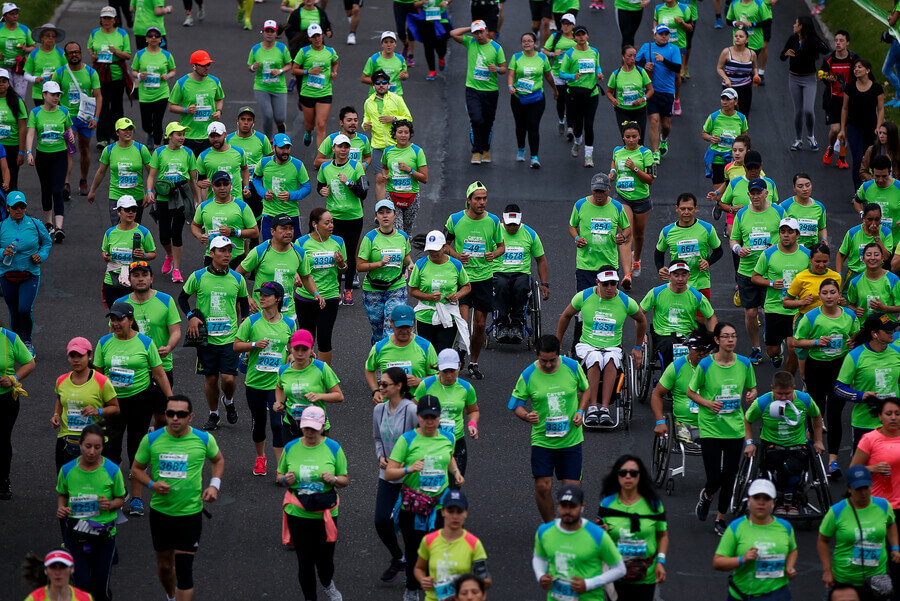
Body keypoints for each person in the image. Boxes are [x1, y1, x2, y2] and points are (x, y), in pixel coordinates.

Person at [130, 395, 224, 601]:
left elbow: (218, 460)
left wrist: (213, 486)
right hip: (161, 513)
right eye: (170, 413)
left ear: (190, 417)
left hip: (190, 514)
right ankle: (171, 596)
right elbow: (136, 469)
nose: (175, 418)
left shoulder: (204, 439)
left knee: (184, 571)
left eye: (181, 414)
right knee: (165, 567)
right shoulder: (152, 439)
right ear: (165, 415)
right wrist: (152, 484)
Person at [95, 301, 172, 516]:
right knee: (110, 450)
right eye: (112, 319)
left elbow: (159, 373)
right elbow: (98, 375)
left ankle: (137, 498)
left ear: (130, 320)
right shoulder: (104, 342)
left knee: (137, 450)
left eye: (120, 319)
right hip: (113, 405)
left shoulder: (146, 343)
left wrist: (171, 399)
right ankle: (116, 491)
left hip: (140, 401)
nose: (115, 323)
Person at [384, 395, 464, 601]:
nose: (430, 422)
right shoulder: (407, 440)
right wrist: (409, 469)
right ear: (418, 417)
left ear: (439, 418)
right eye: (425, 417)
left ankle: (438, 591)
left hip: (440, 506)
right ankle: (411, 590)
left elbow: (450, 457)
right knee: (414, 552)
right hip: (414, 507)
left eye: (434, 417)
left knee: (441, 551)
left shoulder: (448, 438)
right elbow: (389, 473)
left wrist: (455, 472)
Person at [509, 335, 588, 521]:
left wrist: (581, 411)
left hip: (570, 440)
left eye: (552, 360)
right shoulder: (528, 374)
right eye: (543, 360)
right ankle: (551, 526)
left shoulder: (572, 367)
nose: (548, 365)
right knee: (543, 487)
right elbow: (516, 405)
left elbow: (586, 389)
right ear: (537, 355)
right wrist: (526, 415)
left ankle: (569, 525)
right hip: (543, 441)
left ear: (559, 353)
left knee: (572, 491)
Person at [689, 321, 758, 536]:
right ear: (717, 340)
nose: (731, 340)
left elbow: (753, 387)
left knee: (729, 476)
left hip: (734, 428)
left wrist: (752, 394)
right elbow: (691, 392)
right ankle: (707, 495)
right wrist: (708, 404)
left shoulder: (745, 364)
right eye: (726, 336)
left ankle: (720, 518)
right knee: (714, 477)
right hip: (710, 427)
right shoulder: (706, 365)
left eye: (734, 336)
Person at [556, 267, 646, 426]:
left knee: (611, 359)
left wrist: (638, 348)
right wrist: (558, 342)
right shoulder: (584, 296)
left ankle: (604, 408)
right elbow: (565, 315)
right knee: (596, 357)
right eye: (605, 284)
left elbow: (641, 320)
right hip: (587, 346)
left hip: (612, 347)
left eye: (613, 284)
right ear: (598, 283)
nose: (610, 288)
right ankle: (591, 407)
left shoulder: (625, 301)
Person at [179, 235, 250, 431]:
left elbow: (244, 301)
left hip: (229, 338)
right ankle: (214, 414)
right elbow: (182, 299)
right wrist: (191, 316)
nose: (227, 254)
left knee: (228, 379)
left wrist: (244, 321)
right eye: (222, 250)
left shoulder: (237, 278)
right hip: (206, 339)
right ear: (212, 253)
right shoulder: (198, 276)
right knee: (210, 379)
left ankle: (228, 400)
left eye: (229, 250)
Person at [277, 405, 347, 601]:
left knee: (325, 561)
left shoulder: (333, 448)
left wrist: (333, 480)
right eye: (306, 427)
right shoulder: (291, 447)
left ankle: (327, 583)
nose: (310, 432)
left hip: (326, 512)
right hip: (298, 511)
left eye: (314, 428)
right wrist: (285, 480)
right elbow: (280, 475)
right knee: (305, 561)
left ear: (323, 427)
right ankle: (310, 598)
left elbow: (344, 480)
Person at [55, 424, 126, 601]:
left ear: (103, 447)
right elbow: (62, 494)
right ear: (80, 444)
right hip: (75, 533)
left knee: (100, 588)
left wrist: (109, 505)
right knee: (82, 584)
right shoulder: (67, 470)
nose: (92, 452)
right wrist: (62, 508)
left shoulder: (112, 470)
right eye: (88, 446)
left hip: (104, 535)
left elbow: (121, 498)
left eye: (97, 447)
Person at [233, 281, 295, 476]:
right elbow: (236, 346)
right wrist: (253, 344)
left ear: (277, 299)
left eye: (267, 295)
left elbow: (293, 346)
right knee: (258, 423)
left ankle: (280, 468)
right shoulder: (251, 322)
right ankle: (260, 457)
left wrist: (292, 355)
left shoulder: (289, 324)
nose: (261, 297)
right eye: (260, 294)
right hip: (255, 381)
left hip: (278, 384)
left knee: (277, 424)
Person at [445, 181, 505, 380]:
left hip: (484, 278)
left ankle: (473, 362)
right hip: (462, 278)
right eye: (478, 199)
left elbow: (501, 247)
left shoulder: (494, 221)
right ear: (468, 200)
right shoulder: (455, 219)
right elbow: (445, 245)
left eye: (484, 198)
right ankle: (460, 352)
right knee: (463, 322)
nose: (482, 202)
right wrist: (456, 255)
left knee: (480, 326)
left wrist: (493, 255)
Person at [743, 371, 824, 515]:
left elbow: (817, 417)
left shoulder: (804, 399)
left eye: (787, 393)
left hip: (797, 444)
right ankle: (780, 499)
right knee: (777, 466)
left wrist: (818, 441)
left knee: (794, 465)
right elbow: (747, 420)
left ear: (793, 387)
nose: (784, 397)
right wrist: (749, 442)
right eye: (780, 394)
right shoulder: (762, 402)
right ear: (772, 388)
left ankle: (791, 499)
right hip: (771, 445)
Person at [115, 261, 182, 428]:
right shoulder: (120, 304)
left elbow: (176, 331)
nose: (140, 279)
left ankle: (154, 439)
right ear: (129, 279)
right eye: (136, 275)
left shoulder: (166, 300)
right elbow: (113, 336)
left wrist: (169, 347)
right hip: (134, 367)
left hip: (161, 366)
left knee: (161, 416)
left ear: (151, 278)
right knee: (135, 418)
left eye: (144, 275)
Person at [818, 464, 900, 598]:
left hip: (876, 578)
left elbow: (891, 524)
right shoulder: (836, 511)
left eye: (866, 488)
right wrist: (827, 570)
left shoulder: (883, 506)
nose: (863, 493)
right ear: (849, 488)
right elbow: (822, 540)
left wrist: (895, 547)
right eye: (858, 489)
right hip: (846, 579)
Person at [532, 484, 626, 600]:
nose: (567, 510)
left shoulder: (597, 535)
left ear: (582, 506)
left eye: (573, 506)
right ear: (558, 505)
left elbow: (619, 569)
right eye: (564, 505)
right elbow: (539, 558)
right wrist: (541, 576)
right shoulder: (544, 531)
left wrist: (588, 584)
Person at [729, 177, 785, 364]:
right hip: (747, 271)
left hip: (770, 272)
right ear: (748, 195)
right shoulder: (742, 214)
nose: (755, 196)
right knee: (751, 313)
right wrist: (738, 249)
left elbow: (789, 236)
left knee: (768, 312)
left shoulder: (778, 211)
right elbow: (733, 239)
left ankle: (774, 345)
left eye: (758, 193)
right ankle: (756, 348)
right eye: (752, 193)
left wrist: (775, 246)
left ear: (766, 193)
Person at [597, 455, 668, 601]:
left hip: (645, 575)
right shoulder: (607, 504)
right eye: (623, 473)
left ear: (640, 476)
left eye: (633, 473)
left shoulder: (653, 505)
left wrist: (660, 562)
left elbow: (662, 535)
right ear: (617, 476)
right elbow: (600, 538)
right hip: (616, 574)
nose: (628, 477)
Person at [713, 479, 798, 599]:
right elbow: (718, 562)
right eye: (756, 497)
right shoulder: (736, 527)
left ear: (773, 502)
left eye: (766, 498)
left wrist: (790, 567)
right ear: (748, 500)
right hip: (743, 594)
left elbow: (793, 550)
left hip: (777, 593)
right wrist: (742, 559)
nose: (761, 503)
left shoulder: (785, 527)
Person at [372, 365, 418, 583]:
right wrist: (380, 456)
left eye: (384, 384)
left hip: (409, 476)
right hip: (387, 474)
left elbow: (419, 441)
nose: (380, 387)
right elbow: (377, 438)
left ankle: (414, 575)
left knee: (410, 529)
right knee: (381, 520)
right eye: (380, 383)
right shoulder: (379, 410)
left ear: (399, 386)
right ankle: (397, 557)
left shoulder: (410, 410)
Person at [750, 218, 810, 372]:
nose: (786, 235)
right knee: (772, 351)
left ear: (797, 235)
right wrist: (770, 283)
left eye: (790, 232)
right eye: (783, 232)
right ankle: (777, 354)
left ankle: (788, 382)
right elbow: (755, 277)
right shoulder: (769, 254)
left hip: (797, 309)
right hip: (774, 308)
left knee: (793, 347)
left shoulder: (807, 254)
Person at [834, 313, 900, 449]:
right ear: (874, 334)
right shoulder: (855, 356)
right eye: (888, 330)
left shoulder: (897, 352)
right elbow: (838, 388)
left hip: (894, 423)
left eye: (893, 329)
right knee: (864, 468)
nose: (892, 332)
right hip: (865, 424)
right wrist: (860, 396)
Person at [313, 135, 365, 307]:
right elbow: (320, 185)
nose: (343, 150)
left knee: (350, 254)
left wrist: (349, 182)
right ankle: (335, 288)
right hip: (333, 218)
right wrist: (322, 192)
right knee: (334, 253)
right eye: (340, 147)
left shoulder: (356, 166)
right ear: (333, 148)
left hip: (353, 217)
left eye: (346, 147)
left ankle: (348, 289)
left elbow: (363, 192)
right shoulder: (325, 167)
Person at [53, 338, 119, 469]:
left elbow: (115, 408)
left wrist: (98, 411)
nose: (76, 360)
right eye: (72, 356)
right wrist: (56, 414)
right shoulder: (61, 380)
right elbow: (60, 399)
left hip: (94, 441)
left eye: (80, 355)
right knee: (66, 483)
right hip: (67, 440)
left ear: (90, 356)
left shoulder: (102, 381)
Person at [146, 121, 200, 283]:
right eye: (179, 134)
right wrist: (149, 191)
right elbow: (151, 175)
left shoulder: (189, 153)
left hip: (182, 196)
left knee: (176, 233)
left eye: (183, 134)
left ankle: (176, 269)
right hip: (163, 196)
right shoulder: (160, 152)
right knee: (164, 235)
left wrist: (198, 200)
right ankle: (169, 255)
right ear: (170, 136)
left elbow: (193, 178)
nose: (182, 137)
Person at [414, 348, 480, 479]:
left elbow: (473, 410)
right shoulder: (426, 385)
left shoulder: (466, 387)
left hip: (456, 440)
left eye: (453, 371)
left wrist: (472, 423)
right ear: (438, 368)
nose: (449, 375)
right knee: (432, 484)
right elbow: (413, 410)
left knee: (454, 484)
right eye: (445, 371)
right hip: (430, 441)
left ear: (459, 366)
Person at [414, 489, 491, 600]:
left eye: (459, 511)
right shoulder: (429, 540)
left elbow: (485, 579)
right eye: (451, 511)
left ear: (466, 513)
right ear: (443, 511)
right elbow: (419, 568)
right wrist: (423, 580)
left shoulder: (474, 543)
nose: (455, 516)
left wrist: (471, 588)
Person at [0, 191, 52, 354]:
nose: (19, 210)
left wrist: (41, 256)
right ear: (8, 208)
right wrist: (2, 252)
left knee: (24, 309)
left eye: (22, 206)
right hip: (7, 275)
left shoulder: (35, 224)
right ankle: (16, 343)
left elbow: (47, 243)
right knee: (14, 310)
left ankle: (27, 341)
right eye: (15, 207)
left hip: (29, 275)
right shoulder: (1, 226)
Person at [449, 21, 507, 165]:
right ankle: (476, 151)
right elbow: (453, 33)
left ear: (487, 31)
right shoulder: (471, 42)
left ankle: (485, 150)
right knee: (476, 119)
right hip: (473, 89)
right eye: (476, 33)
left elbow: (504, 68)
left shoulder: (496, 47)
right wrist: (470, 27)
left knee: (488, 122)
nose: (479, 35)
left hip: (490, 91)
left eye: (481, 32)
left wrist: (497, 70)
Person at [357, 199, 412, 345]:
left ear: (395, 215)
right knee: (378, 333)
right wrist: (379, 264)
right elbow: (359, 266)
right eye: (381, 213)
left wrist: (410, 263)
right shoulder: (370, 238)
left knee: (390, 330)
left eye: (388, 212)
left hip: (396, 287)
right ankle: (377, 360)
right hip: (373, 289)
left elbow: (405, 255)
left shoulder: (402, 236)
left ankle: (387, 367)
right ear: (376, 216)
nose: (385, 216)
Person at [640, 261, 715, 367]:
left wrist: (712, 337)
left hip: (687, 335)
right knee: (670, 346)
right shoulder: (656, 292)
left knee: (701, 350)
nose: (680, 279)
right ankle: (670, 377)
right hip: (663, 335)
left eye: (684, 274)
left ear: (688, 276)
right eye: (676, 275)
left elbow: (711, 317)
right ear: (669, 276)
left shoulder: (696, 295)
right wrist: (641, 335)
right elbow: (639, 314)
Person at [52, 42, 102, 198]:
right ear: (66, 56)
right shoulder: (59, 73)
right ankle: (66, 183)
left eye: (77, 52)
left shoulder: (91, 72)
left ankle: (83, 180)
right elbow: (52, 95)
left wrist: (96, 117)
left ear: (81, 53)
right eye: (70, 53)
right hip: (68, 117)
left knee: (84, 148)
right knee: (69, 149)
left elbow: (98, 95)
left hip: (86, 117)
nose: (74, 55)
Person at [24, 81, 73, 241]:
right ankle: (49, 223)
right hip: (42, 156)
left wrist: (71, 136)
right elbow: (31, 133)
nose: (56, 98)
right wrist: (29, 152)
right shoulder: (36, 112)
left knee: (57, 191)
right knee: (46, 189)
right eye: (52, 94)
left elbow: (68, 129)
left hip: (60, 154)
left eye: (58, 95)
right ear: (44, 95)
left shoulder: (64, 111)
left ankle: (59, 228)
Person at [273, 328, 342, 441]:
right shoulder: (283, 370)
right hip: (292, 425)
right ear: (291, 349)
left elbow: (339, 396)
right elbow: (279, 387)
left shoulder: (322, 368)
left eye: (304, 349)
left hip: (316, 426)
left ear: (312, 350)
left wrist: (319, 396)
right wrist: (279, 402)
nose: (300, 354)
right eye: (296, 349)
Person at [650, 327, 716, 443]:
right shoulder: (676, 367)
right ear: (689, 348)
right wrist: (660, 422)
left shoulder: (717, 366)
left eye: (705, 351)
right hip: (684, 424)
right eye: (698, 350)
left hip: (712, 423)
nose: (701, 353)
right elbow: (657, 394)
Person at [494, 205, 549, 342]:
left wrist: (544, 284)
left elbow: (541, 260)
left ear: (520, 221)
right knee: (501, 285)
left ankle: (517, 323)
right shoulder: (494, 233)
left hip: (521, 274)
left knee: (521, 286)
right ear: (502, 220)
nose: (512, 227)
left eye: (515, 224)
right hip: (499, 273)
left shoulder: (530, 234)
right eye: (509, 225)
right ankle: (502, 323)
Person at [295, 209, 346, 359]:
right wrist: (296, 276)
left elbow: (344, 269)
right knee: (306, 339)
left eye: (332, 222)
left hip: (329, 296)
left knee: (324, 338)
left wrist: (341, 263)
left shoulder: (338, 241)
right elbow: (295, 267)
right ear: (315, 224)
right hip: (305, 297)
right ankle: (306, 372)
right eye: (327, 222)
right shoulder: (302, 242)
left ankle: (323, 377)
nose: (331, 226)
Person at [569, 173, 631, 295]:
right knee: (584, 304)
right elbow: (572, 226)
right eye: (596, 191)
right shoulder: (580, 205)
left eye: (602, 191)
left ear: (609, 189)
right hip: (585, 265)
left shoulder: (617, 207)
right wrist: (577, 238)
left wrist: (622, 236)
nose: (598, 195)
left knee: (609, 304)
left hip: (609, 264)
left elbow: (627, 228)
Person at [409, 230, 471, 352]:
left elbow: (467, 286)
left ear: (444, 247)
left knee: (444, 355)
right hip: (425, 316)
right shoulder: (420, 265)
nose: (433, 253)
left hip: (448, 316)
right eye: (430, 249)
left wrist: (457, 295)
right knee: (426, 355)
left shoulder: (456, 265)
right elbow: (412, 290)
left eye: (436, 249)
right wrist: (428, 297)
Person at [655, 192, 723, 303]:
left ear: (696, 209)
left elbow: (719, 251)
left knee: (700, 320)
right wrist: (660, 267)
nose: (686, 212)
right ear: (677, 209)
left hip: (701, 283)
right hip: (677, 285)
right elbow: (658, 252)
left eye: (690, 209)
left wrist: (708, 262)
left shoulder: (707, 228)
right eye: (683, 209)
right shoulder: (667, 231)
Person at [610, 121, 654, 286]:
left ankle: (637, 259)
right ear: (623, 137)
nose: (631, 140)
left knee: (639, 235)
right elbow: (614, 162)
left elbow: (650, 180)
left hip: (641, 199)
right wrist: (613, 172)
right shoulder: (617, 151)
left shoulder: (646, 153)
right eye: (627, 137)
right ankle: (627, 275)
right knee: (625, 235)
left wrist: (635, 168)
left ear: (639, 137)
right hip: (623, 198)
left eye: (634, 136)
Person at [365, 304, 439, 403]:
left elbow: (437, 376)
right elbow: (369, 369)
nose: (404, 331)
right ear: (391, 323)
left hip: (417, 407)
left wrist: (420, 380)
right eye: (400, 327)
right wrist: (375, 391)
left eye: (407, 327)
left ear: (414, 323)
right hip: (390, 407)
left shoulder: (425, 346)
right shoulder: (380, 347)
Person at [88, 118, 153, 226]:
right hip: (116, 197)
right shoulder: (109, 150)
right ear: (117, 132)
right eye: (124, 129)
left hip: (136, 197)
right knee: (118, 229)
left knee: (134, 232)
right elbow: (101, 172)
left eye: (130, 129)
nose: (128, 132)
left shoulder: (141, 149)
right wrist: (92, 190)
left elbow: (152, 172)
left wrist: (148, 192)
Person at [99, 196, 157, 310]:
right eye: (127, 209)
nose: (130, 212)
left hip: (136, 279)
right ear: (118, 212)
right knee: (116, 317)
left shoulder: (143, 232)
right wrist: (105, 256)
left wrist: (144, 255)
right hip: (112, 279)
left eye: (133, 209)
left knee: (137, 317)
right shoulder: (110, 233)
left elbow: (153, 253)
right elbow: (104, 251)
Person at [191, 171, 258, 268]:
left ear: (231, 185)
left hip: (236, 257)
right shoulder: (204, 207)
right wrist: (199, 236)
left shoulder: (242, 206)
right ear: (212, 187)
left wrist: (233, 232)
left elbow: (255, 232)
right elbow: (195, 225)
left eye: (225, 184)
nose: (222, 188)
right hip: (212, 257)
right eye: (218, 185)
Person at [507, 33, 555, 168]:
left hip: (536, 98)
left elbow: (548, 76)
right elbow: (511, 74)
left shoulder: (542, 58)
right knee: (520, 125)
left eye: (529, 41)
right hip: (518, 98)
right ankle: (521, 149)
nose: (526, 43)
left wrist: (555, 90)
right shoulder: (516, 57)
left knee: (533, 125)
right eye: (524, 41)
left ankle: (534, 157)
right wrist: (510, 86)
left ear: (535, 43)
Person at [251, 133, 310, 241]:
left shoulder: (297, 165)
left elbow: (307, 187)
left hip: (290, 215)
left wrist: (291, 195)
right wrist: (263, 192)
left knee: (293, 250)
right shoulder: (264, 163)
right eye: (282, 148)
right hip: (270, 215)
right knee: (269, 250)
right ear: (274, 147)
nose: (285, 151)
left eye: (288, 148)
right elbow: (256, 179)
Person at [88, 7, 132, 149]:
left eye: (109, 18)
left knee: (117, 108)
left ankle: (116, 136)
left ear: (115, 19)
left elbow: (128, 55)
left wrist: (116, 51)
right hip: (100, 75)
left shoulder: (122, 33)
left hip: (116, 75)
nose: (107, 21)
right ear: (101, 19)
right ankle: (102, 138)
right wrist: (93, 55)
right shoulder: (95, 33)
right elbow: (90, 48)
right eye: (104, 18)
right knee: (102, 106)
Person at [637, 25, 681, 166]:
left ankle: (664, 140)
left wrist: (664, 61)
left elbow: (677, 68)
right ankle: (655, 152)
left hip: (667, 92)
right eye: (661, 34)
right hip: (651, 91)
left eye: (666, 34)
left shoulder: (673, 49)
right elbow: (635, 63)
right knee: (654, 121)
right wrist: (645, 65)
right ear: (654, 35)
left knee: (666, 125)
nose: (664, 36)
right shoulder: (647, 47)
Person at [558, 25, 602, 167]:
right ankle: (577, 141)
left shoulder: (594, 51)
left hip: (591, 94)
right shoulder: (570, 54)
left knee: (589, 125)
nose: (581, 37)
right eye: (578, 35)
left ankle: (588, 155)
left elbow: (597, 66)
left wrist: (599, 73)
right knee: (578, 125)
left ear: (587, 36)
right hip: (574, 95)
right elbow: (561, 73)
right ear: (574, 38)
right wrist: (572, 76)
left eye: (583, 34)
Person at [168, 49, 225, 157]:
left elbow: (219, 99)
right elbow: (171, 106)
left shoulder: (214, 81)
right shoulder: (182, 82)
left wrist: (219, 111)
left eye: (208, 64)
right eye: (203, 65)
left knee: (206, 171)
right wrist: (186, 110)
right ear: (194, 66)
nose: (207, 67)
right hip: (188, 135)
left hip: (209, 135)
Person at [293, 24, 339, 149]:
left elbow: (335, 63)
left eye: (318, 35)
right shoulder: (304, 52)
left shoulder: (330, 51)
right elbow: (294, 70)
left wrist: (334, 72)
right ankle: (308, 133)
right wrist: (308, 72)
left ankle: (321, 157)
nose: (317, 38)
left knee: (321, 125)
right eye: (313, 37)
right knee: (309, 126)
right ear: (309, 38)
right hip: (307, 93)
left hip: (324, 93)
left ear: (322, 35)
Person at [841, 59, 885, 191]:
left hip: (871, 128)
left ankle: (870, 187)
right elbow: (844, 109)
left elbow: (881, 109)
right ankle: (857, 190)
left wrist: (878, 127)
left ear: (867, 70)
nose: (856, 70)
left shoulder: (877, 88)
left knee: (870, 159)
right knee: (857, 158)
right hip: (854, 127)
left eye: (859, 67)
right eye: (855, 68)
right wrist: (842, 129)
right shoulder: (850, 87)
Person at [226, 106, 273, 224]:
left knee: (256, 218)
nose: (246, 123)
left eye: (249, 120)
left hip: (256, 184)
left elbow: (270, 162)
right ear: (237, 121)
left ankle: (254, 241)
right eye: (243, 119)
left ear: (254, 122)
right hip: (235, 185)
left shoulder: (262, 138)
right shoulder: (229, 139)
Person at [131, 26, 176, 150]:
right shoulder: (140, 54)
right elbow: (134, 71)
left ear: (161, 39)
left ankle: (157, 146)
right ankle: (150, 133)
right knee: (146, 123)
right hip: (145, 93)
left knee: (157, 120)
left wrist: (168, 75)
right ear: (146, 39)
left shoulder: (166, 55)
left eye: (156, 36)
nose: (153, 38)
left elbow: (173, 71)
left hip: (161, 93)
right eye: (150, 35)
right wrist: (140, 75)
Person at [379, 119, 427, 233]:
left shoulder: (417, 151)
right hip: (392, 194)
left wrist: (410, 170)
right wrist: (385, 176)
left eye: (406, 132)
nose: (403, 135)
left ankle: (406, 251)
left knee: (407, 232)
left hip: (411, 196)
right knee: (397, 229)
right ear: (394, 134)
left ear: (410, 134)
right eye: (400, 132)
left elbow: (424, 178)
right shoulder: (388, 151)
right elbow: (384, 168)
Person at [247, 20, 292, 139]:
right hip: (261, 87)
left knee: (280, 117)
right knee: (267, 115)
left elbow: (289, 64)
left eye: (272, 31)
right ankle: (269, 141)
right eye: (267, 31)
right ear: (263, 32)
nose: (269, 34)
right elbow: (249, 67)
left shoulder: (282, 48)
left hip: (278, 87)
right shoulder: (256, 49)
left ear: (276, 33)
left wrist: (280, 71)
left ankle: (281, 126)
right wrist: (253, 67)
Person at [852, 397, 900, 508]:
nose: (893, 418)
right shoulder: (869, 439)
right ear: (880, 416)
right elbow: (853, 470)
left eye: (897, 414)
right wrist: (873, 468)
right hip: (879, 506)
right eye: (888, 414)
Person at [820, 30, 856, 170]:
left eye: (841, 40)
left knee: (844, 130)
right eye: (836, 40)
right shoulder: (828, 59)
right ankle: (830, 148)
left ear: (847, 43)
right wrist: (827, 79)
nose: (838, 43)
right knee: (835, 130)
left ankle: (842, 158)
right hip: (833, 99)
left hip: (848, 99)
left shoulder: (853, 59)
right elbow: (823, 76)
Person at [702, 88, 749, 189]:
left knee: (734, 188)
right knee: (719, 193)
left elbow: (745, 136)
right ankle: (718, 204)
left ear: (735, 101)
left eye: (728, 99)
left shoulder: (741, 118)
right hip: (717, 159)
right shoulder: (714, 117)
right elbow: (704, 133)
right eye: (723, 99)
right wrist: (710, 138)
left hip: (734, 159)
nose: (725, 102)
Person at [652, 0, 692, 116]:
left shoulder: (684, 9)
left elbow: (690, 28)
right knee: (661, 70)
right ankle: (661, 97)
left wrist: (682, 23)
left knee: (676, 75)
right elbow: (655, 20)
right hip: (661, 46)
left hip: (678, 46)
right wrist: (655, 29)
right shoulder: (659, 8)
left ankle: (676, 100)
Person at [837, 204, 891, 290]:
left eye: (877, 219)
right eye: (870, 219)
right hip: (855, 274)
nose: (873, 223)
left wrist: (876, 236)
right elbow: (841, 254)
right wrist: (839, 275)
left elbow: (886, 257)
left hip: (876, 274)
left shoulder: (886, 232)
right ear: (864, 218)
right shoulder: (852, 232)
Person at [362, 70, 412, 161]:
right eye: (378, 83)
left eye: (384, 82)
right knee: (380, 175)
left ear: (388, 85)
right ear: (373, 86)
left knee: (394, 174)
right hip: (377, 146)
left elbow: (408, 118)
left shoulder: (397, 99)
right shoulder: (368, 102)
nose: (381, 85)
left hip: (395, 145)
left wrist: (393, 118)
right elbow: (366, 117)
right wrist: (365, 125)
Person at [196, 122, 250, 206]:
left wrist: (246, 186)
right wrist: (201, 184)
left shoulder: (239, 152)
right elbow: (199, 180)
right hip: (214, 203)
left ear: (225, 135)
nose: (215, 139)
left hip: (236, 201)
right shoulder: (203, 156)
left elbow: (245, 169)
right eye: (212, 136)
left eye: (218, 135)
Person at [606, 45, 653, 140]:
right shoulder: (616, 74)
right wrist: (613, 99)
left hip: (639, 110)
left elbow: (651, 90)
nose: (632, 59)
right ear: (623, 56)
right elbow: (609, 92)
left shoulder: (641, 71)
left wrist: (642, 99)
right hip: (622, 110)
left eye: (634, 56)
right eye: (629, 56)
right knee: (627, 139)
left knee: (639, 140)